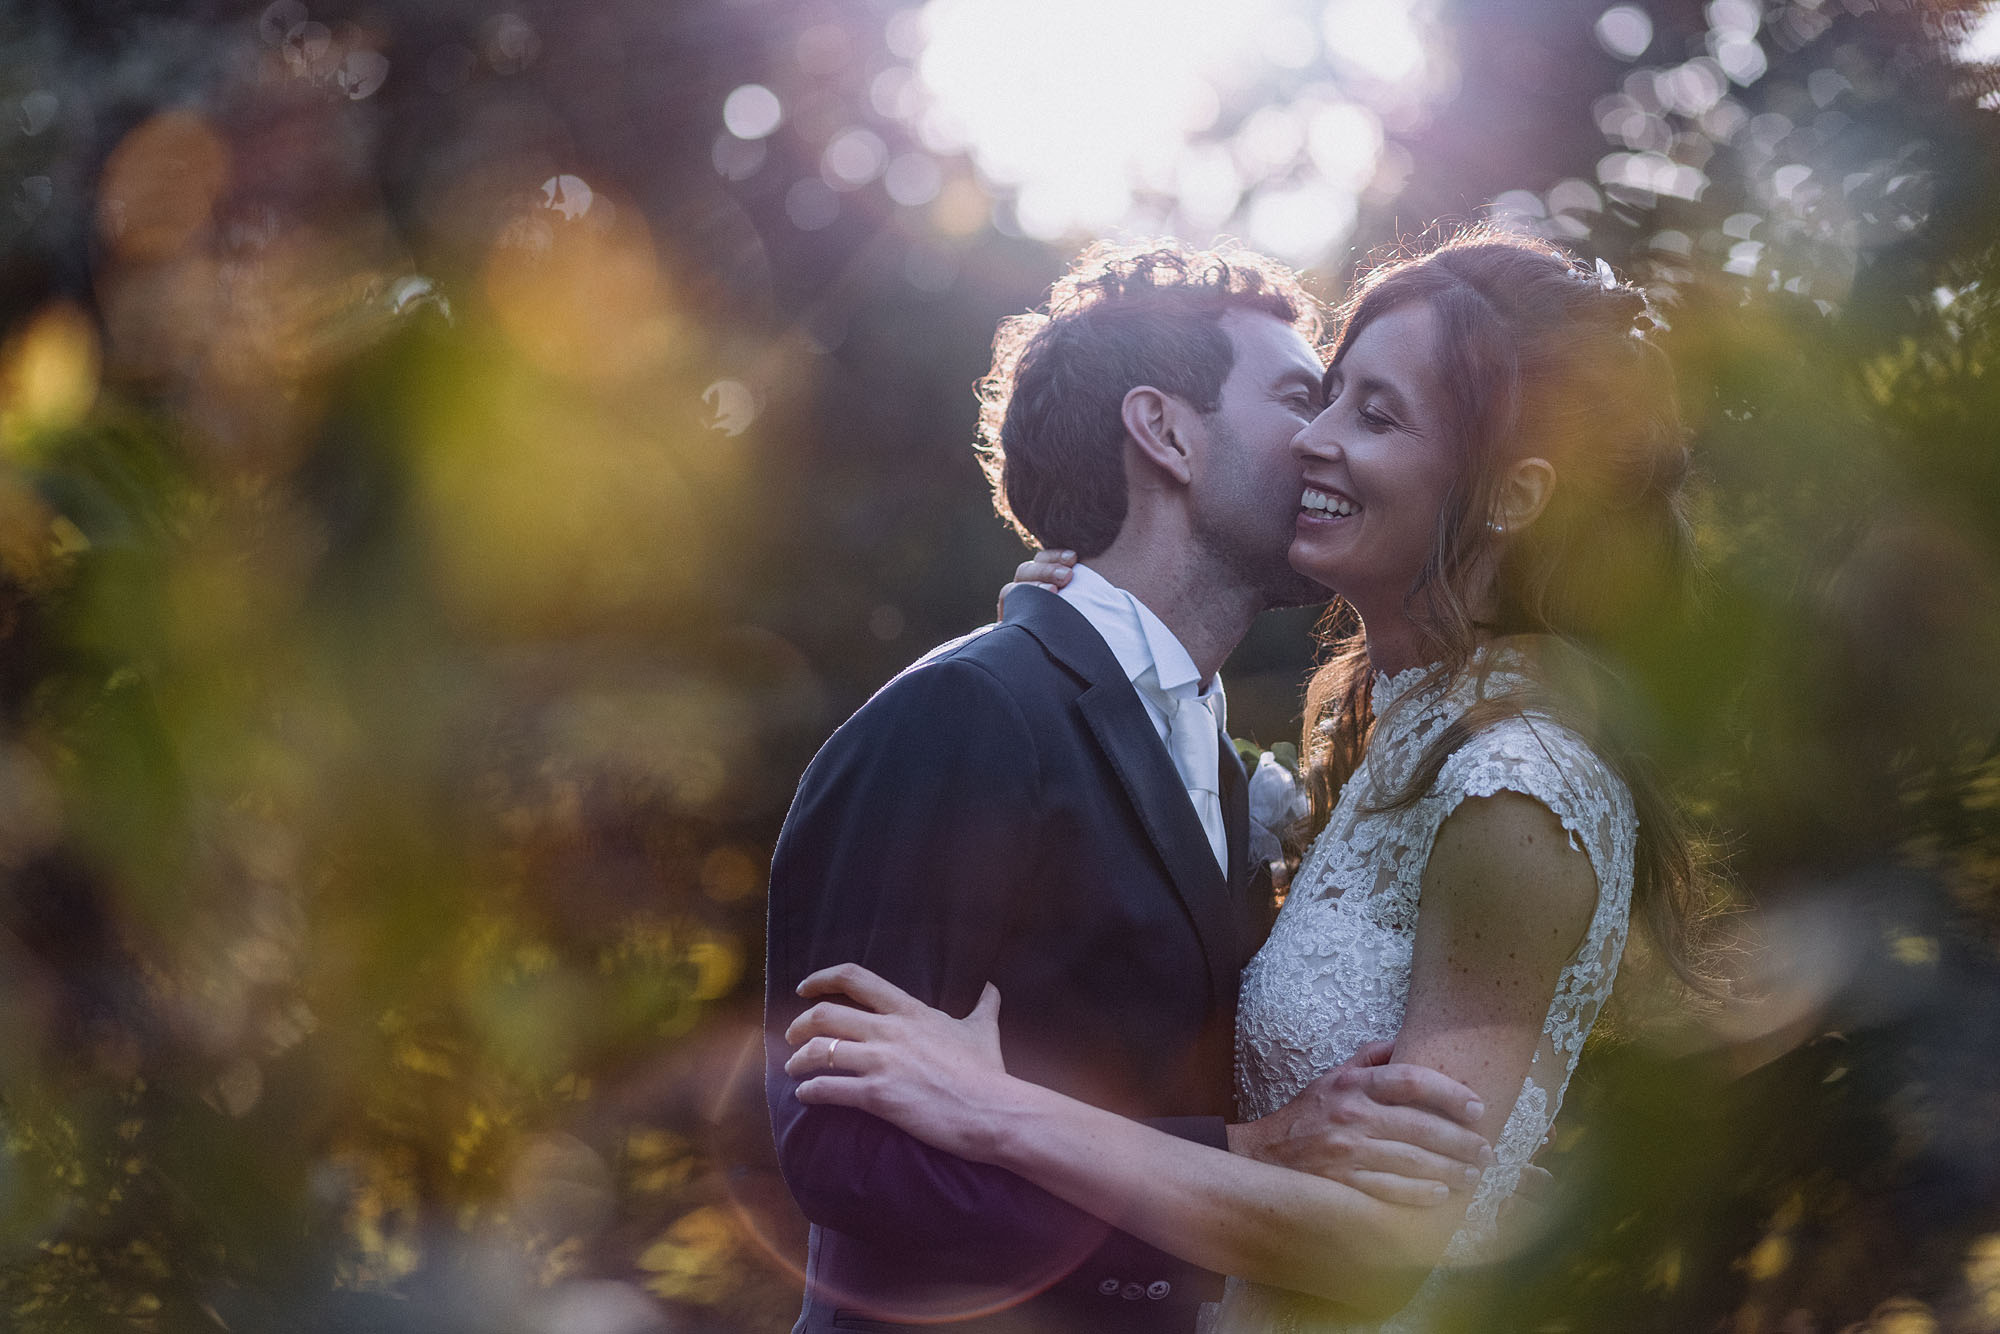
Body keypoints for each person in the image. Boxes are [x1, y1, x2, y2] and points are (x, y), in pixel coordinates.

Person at [781, 229, 1709, 1330]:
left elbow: (1405, 1208)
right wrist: (1240, 1154)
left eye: (1365, 412)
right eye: (1306, 398)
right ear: (1163, 433)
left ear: (1509, 494)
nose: (1315, 440)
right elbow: (844, 1142)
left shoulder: (1494, 773)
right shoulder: (977, 710)